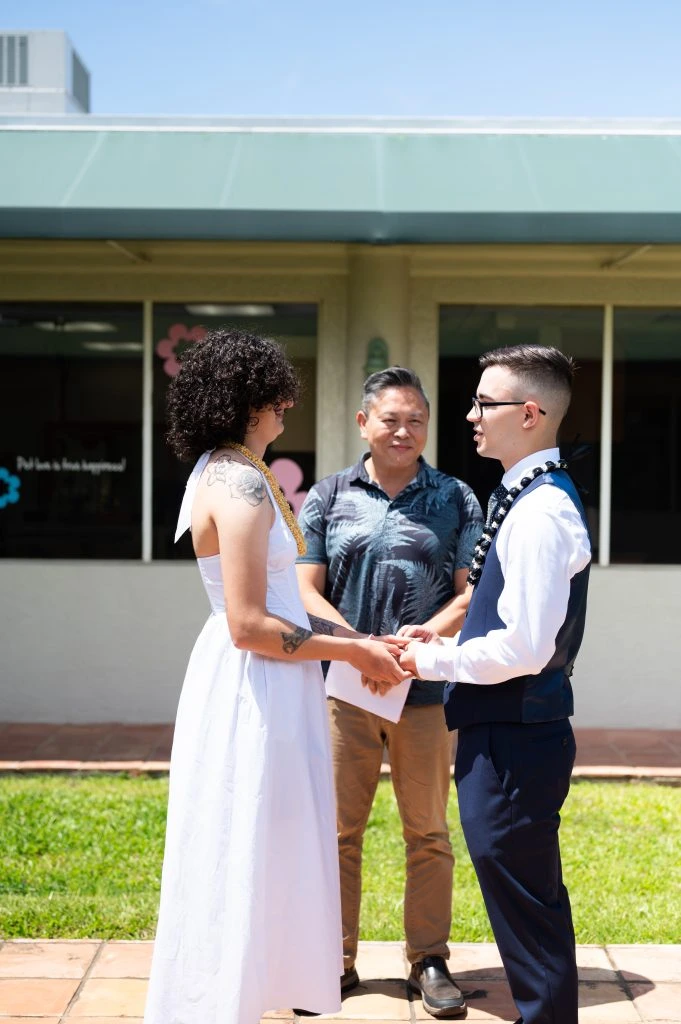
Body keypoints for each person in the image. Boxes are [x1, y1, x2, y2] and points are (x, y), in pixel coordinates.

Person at [143, 329, 410, 1024]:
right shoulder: (236, 481)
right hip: (253, 685)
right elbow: (248, 624)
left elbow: (284, 604)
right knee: (246, 836)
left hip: (270, 680)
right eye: (274, 393)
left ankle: (255, 989)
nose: (287, 403)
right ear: (244, 402)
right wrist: (352, 657)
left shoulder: (232, 470)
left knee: (269, 839)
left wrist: (356, 640)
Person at [400, 344, 591, 1024]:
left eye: (485, 402)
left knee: (528, 908)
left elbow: (524, 648)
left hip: (515, 736)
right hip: (505, 729)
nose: (471, 414)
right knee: (524, 900)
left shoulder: (540, 512)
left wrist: (429, 662)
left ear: (530, 414)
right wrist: (441, 643)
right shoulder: (525, 497)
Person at [296, 366, 483, 1019]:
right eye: (391, 419)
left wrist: (415, 647)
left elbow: (470, 592)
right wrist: (360, 648)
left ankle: (428, 959)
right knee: (336, 832)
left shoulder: (455, 497)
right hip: (345, 689)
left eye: (415, 421)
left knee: (427, 832)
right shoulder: (326, 496)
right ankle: (333, 959)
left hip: (423, 691)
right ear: (363, 423)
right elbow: (304, 588)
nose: (403, 431)